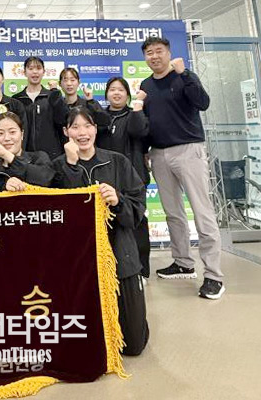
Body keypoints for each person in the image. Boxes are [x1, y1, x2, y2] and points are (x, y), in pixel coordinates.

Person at [52, 107, 149, 356]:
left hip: (120, 255)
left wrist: (118, 200)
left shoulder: (117, 161)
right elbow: (59, 214)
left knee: (133, 344)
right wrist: (71, 166)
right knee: (87, 345)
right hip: (78, 260)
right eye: (75, 127)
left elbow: (137, 211)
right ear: (66, 132)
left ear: (96, 129)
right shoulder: (57, 167)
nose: (82, 133)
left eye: (87, 126)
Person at [140, 36, 224, 299]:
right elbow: (147, 121)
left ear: (168, 53)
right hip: (159, 153)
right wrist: (145, 150)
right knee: (173, 212)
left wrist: (185, 74)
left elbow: (203, 102)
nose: (154, 56)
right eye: (149, 53)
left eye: (159, 51)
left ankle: (214, 275)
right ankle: (183, 262)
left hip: (189, 150)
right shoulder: (145, 85)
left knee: (202, 212)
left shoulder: (184, 76)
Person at [97, 77, 151, 279]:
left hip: (132, 177)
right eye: (112, 89)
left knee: (136, 221)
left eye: (121, 90)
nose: (116, 93)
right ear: (106, 94)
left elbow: (139, 131)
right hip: (106, 177)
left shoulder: (134, 114)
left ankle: (141, 270)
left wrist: (137, 106)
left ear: (127, 94)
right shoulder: (100, 118)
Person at [12, 57, 68, 160]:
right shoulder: (16, 99)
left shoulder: (52, 96)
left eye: (38, 68)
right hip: (24, 156)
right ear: (24, 72)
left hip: (51, 156)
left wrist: (55, 94)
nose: (35, 72)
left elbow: (63, 120)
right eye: (31, 68)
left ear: (44, 72)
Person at [0, 112, 55, 192]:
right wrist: (4, 186)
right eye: (0, 133)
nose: (7, 138)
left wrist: (7, 155)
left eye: (12, 132)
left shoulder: (38, 158)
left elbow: (46, 179)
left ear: (22, 134)